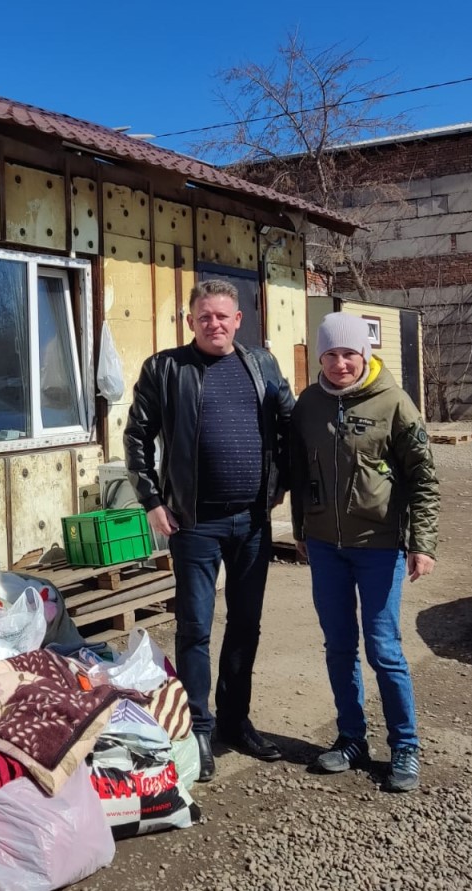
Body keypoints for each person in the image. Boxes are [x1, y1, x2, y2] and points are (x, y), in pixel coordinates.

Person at [124, 279, 294, 782]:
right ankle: (198, 724)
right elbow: (137, 436)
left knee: (246, 625)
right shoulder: (165, 368)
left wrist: (281, 483)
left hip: (253, 522)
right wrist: (152, 501)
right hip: (195, 523)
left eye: (223, 316)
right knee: (194, 627)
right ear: (191, 321)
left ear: (238, 320)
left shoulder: (261, 364)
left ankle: (236, 721)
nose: (214, 324)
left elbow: (290, 422)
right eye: (205, 317)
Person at [291, 312, 439, 793]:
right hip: (325, 547)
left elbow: (423, 478)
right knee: (338, 646)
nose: (340, 364)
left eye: (349, 354)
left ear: (365, 355)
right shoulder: (308, 404)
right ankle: (351, 738)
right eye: (331, 354)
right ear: (321, 357)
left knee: (384, 649)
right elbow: (298, 471)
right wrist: (299, 530)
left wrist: (421, 543)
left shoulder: (395, 403)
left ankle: (406, 746)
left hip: (379, 547)